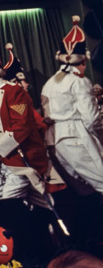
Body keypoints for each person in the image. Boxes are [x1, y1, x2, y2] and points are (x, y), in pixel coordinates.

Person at [0, 29, 60, 257]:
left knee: (9, 206)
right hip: (3, 162)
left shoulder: (13, 92)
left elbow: (22, 127)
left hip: (23, 159)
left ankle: (28, 251)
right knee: (11, 206)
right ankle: (32, 249)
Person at [41, 16, 103, 194]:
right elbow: (91, 118)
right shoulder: (79, 81)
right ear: (83, 60)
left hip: (57, 143)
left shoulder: (50, 83)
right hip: (76, 137)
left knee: (85, 192)